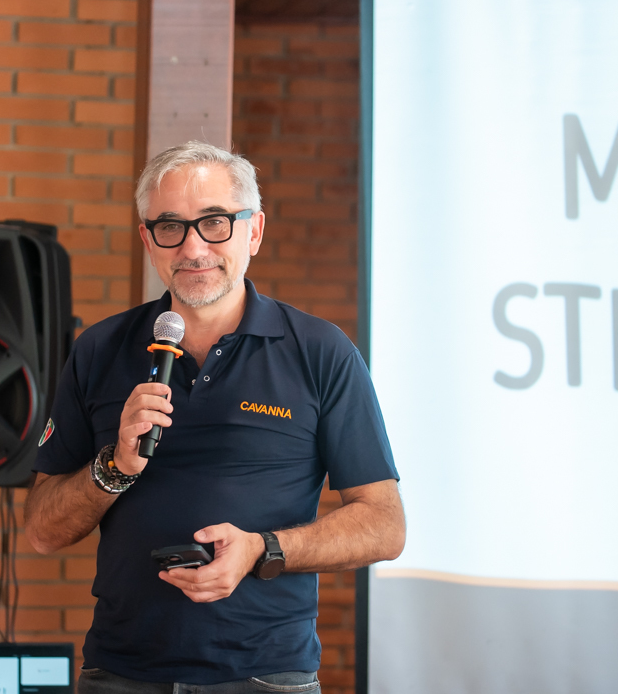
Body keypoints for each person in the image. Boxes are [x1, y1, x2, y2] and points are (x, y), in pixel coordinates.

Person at [24, 141, 405, 693]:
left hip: (265, 676)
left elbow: (384, 525)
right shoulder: (99, 350)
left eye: (215, 222)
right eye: (170, 226)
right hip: (120, 674)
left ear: (254, 231)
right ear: (147, 240)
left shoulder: (320, 351)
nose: (193, 247)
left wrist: (262, 549)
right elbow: (41, 531)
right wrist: (114, 466)